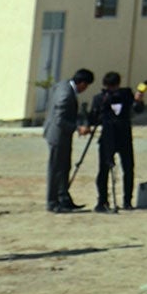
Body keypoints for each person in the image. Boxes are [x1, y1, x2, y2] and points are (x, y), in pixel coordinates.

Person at [43, 68, 94, 212]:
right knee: (56, 169)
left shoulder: (63, 85)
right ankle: (52, 203)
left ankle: (63, 198)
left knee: (65, 167)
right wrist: (78, 129)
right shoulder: (66, 94)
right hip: (58, 135)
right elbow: (60, 120)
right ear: (82, 83)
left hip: (61, 135)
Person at [92, 70, 137, 212]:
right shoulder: (99, 98)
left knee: (128, 169)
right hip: (107, 138)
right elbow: (93, 117)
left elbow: (137, 108)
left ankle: (127, 200)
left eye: (113, 87)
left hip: (124, 137)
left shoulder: (126, 95)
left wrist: (139, 100)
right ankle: (102, 200)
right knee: (103, 170)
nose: (110, 90)